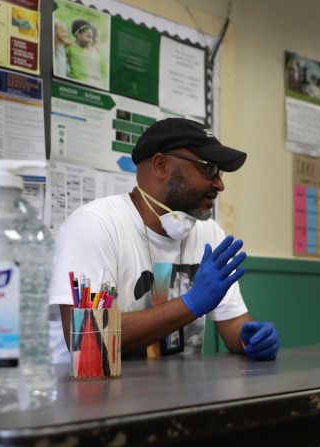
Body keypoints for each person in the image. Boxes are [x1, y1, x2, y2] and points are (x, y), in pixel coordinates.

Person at [48, 118, 280, 363]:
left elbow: (233, 322)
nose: (219, 184)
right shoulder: (94, 225)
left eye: (219, 171)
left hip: (179, 397)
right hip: (94, 396)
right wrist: (190, 304)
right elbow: (87, 337)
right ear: (160, 165)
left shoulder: (208, 233)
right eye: (209, 168)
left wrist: (249, 339)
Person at [66, 19, 106, 87]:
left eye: (91, 32)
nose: (90, 31)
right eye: (86, 30)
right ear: (77, 34)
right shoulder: (69, 47)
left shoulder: (95, 53)